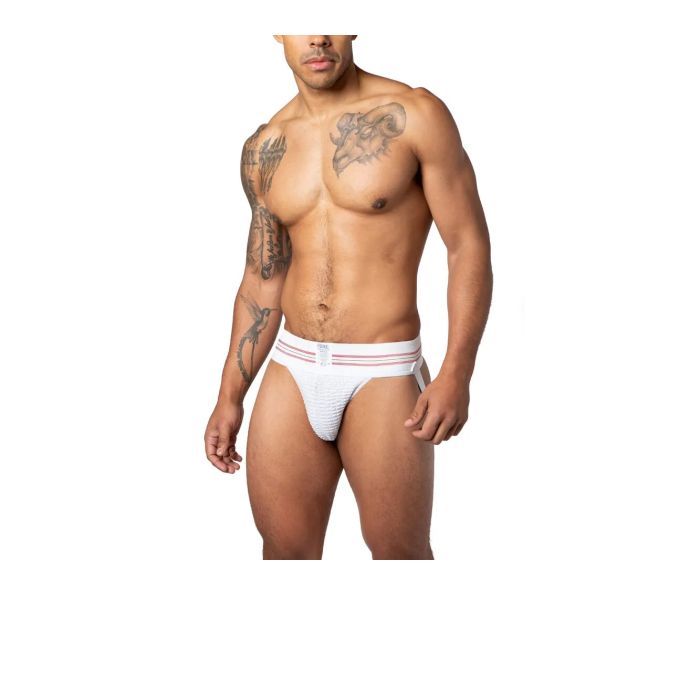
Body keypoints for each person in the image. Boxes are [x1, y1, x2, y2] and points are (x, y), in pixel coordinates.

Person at [204, 35, 493, 560]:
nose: (317, 36)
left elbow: (467, 246)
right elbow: (261, 279)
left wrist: (457, 372)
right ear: (277, 32)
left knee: (399, 554)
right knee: (284, 554)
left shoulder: (416, 114)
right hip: (292, 366)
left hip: (382, 369)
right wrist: (229, 396)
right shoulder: (265, 145)